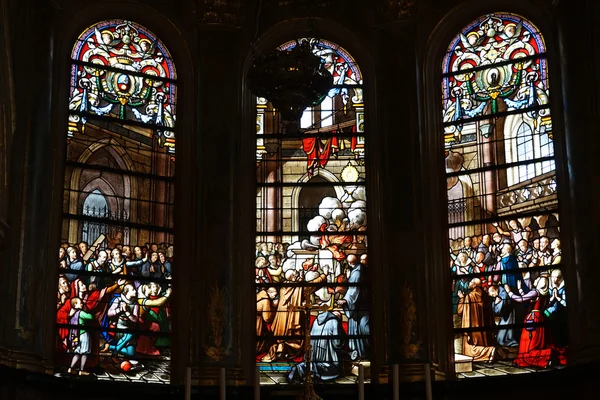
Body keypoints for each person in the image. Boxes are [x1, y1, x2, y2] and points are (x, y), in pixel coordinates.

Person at [505, 277, 559, 367]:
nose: (536, 280)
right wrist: (520, 289)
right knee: (532, 344)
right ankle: (543, 358)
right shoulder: (543, 293)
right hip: (538, 318)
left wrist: (509, 292)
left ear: (540, 283)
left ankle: (546, 354)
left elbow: (521, 299)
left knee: (530, 345)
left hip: (532, 320)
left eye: (538, 279)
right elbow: (526, 298)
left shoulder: (535, 292)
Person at [457, 278, 504, 362]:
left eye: (471, 282)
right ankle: (491, 353)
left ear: (475, 285)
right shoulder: (485, 296)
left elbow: (461, 312)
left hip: (473, 329)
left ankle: (489, 351)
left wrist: (461, 298)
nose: (469, 283)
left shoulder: (469, 297)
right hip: (484, 330)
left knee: (470, 351)